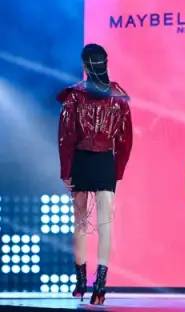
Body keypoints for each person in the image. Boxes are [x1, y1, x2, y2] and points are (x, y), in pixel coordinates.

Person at [57, 44, 133, 305]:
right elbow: (125, 140)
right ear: (105, 63)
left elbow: (66, 137)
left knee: (80, 223)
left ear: (85, 66)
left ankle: (80, 283)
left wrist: (66, 171)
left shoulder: (74, 96)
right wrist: (117, 170)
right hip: (104, 163)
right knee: (105, 225)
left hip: (81, 161)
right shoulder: (118, 97)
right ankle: (100, 286)